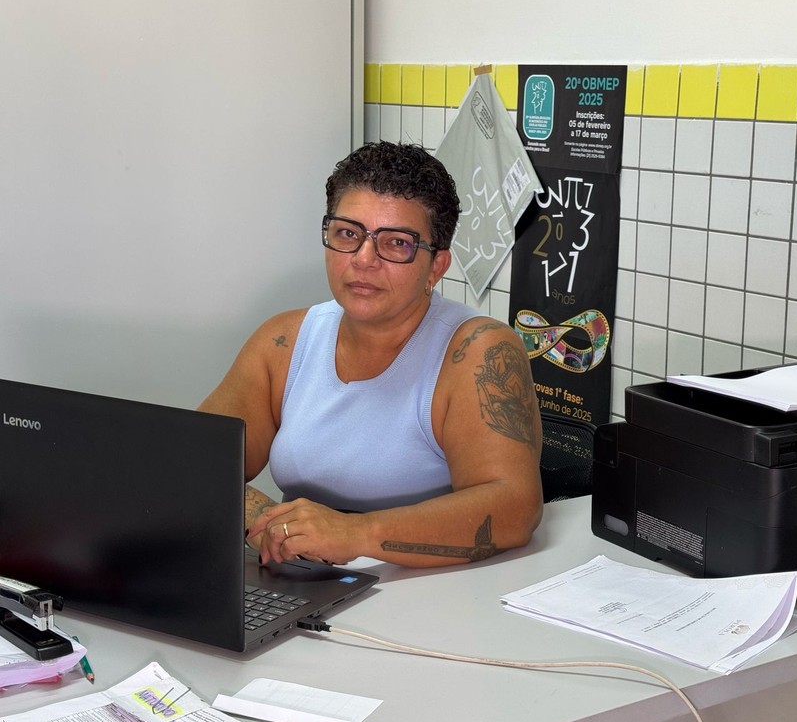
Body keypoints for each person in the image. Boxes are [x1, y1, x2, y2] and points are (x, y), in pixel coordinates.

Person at [199, 141, 543, 568]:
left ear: (436, 266)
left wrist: (355, 534)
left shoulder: (477, 350)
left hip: (431, 588)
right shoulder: (283, 342)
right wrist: (271, 523)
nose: (364, 259)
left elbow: (515, 508)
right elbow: (192, 461)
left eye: (396, 243)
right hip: (305, 579)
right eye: (348, 234)